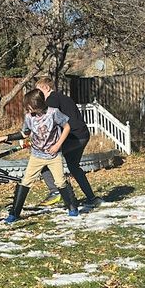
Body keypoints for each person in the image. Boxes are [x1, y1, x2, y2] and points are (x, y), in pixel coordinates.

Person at [5, 88, 79, 223]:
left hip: (53, 155)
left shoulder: (53, 113)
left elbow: (67, 127)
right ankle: (14, 213)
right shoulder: (29, 117)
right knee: (25, 181)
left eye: (28, 105)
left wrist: (57, 145)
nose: (26, 108)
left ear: (35, 104)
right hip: (36, 155)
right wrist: (7, 137)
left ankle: (72, 207)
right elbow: (25, 133)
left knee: (60, 181)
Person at [35, 76, 98, 207]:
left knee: (44, 163)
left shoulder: (51, 99)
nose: (38, 95)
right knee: (74, 167)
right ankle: (91, 198)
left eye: (39, 91)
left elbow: (48, 122)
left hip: (72, 137)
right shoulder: (64, 98)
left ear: (46, 88)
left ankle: (55, 191)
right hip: (82, 136)